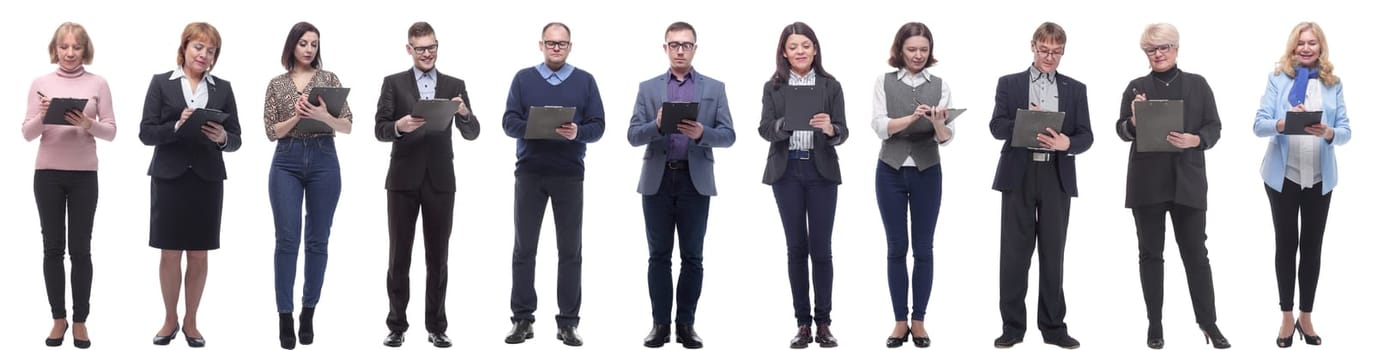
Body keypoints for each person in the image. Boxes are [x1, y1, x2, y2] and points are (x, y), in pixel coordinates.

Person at [1115, 23, 1228, 350]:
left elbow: (1214, 127)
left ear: (1176, 49)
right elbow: (1121, 130)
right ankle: (1155, 325)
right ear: (1145, 53)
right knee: (1150, 254)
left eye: (1164, 47)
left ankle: (1209, 323)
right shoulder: (1136, 87)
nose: (1158, 54)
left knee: (1196, 254)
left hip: (1188, 180)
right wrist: (1134, 121)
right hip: (1147, 182)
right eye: (1151, 49)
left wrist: (1197, 139)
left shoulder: (1197, 84)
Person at [627, 21, 736, 349]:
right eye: (674, 44)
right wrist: (657, 125)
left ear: (694, 49)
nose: (679, 50)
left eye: (686, 45)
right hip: (657, 180)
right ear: (665, 48)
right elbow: (633, 135)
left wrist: (702, 133)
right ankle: (660, 325)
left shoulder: (714, 88)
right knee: (658, 256)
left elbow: (729, 135)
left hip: (694, 179)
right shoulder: (648, 88)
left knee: (693, 257)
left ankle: (685, 325)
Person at [374, 21, 480, 349]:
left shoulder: (454, 84)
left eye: (432, 47)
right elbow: (379, 128)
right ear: (409, 49)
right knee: (399, 257)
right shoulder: (393, 83)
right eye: (420, 48)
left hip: (440, 180)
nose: (427, 53)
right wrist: (399, 126)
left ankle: (437, 326)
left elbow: (473, 131)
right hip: (403, 180)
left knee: (438, 258)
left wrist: (462, 113)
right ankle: (396, 325)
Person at [139, 21, 242, 349]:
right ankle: (170, 319)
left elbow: (237, 138)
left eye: (211, 51)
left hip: (207, 179)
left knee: (199, 254)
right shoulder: (161, 84)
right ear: (184, 48)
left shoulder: (223, 88)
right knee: (170, 253)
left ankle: (191, 321)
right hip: (169, 177)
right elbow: (145, 132)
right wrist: (176, 125)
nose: (205, 55)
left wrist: (223, 137)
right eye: (199, 47)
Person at [988, 22, 1091, 350]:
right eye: (1044, 50)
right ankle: (1012, 327)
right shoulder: (1010, 83)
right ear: (1032, 46)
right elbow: (996, 126)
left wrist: (1066, 143)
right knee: (1014, 256)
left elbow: (1086, 135)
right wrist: (1023, 121)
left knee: (1052, 254)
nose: (1049, 57)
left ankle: (1053, 328)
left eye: (1056, 52)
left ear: (1063, 52)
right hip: (1018, 176)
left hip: (1055, 178)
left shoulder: (1075, 89)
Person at [501, 21, 605, 347]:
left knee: (570, 251)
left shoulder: (585, 81)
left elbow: (598, 125)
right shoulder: (523, 79)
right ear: (541, 45)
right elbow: (508, 121)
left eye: (561, 43)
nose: (556, 48)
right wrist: (535, 126)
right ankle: (522, 319)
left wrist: (578, 132)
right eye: (550, 43)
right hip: (530, 172)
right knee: (524, 248)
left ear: (570, 46)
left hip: (569, 174)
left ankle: (568, 323)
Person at [1252, 21, 1349, 348]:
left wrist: (1329, 132)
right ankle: (1286, 315)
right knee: (1286, 244)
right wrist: (1281, 123)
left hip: (1320, 178)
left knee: (1312, 246)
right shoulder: (1278, 79)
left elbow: (1346, 130)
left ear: (1321, 48)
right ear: (1292, 48)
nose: (1306, 48)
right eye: (1300, 43)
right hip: (1284, 176)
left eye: (1312, 43)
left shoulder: (1332, 84)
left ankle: (1306, 315)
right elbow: (1259, 125)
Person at [23, 21, 116, 350]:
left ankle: (80, 321)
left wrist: (88, 123)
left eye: (76, 47)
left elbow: (111, 131)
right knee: (52, 248)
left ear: (85, 49)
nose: (70, 53)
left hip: (84, 176)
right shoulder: (41, 83)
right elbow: (27, 133)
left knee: (80, 250)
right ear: (55, 48)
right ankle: (58, 318)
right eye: (64, 47)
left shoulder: (98, 84)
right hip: (47, 175)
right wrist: (45, 115)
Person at [264, 21, 354, 349]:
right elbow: (271, 130)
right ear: (292, 45)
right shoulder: (276, 84)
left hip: (324, 159)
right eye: (303, 42)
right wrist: (297, 116)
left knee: (318, 241)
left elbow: (347, 125)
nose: (309, 48)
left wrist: (322, 114)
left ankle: (308, 312)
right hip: (286, 160)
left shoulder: (328, 80)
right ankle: (284, 315)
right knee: (287, 240)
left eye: (314, 44)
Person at [759, 21, 847, 349]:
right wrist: (784, 124)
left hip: (821, 171)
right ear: (784, 51)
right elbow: (765, 128)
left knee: (821, 249)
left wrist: (830, 129)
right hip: (786, 172)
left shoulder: (830, 85)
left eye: (806, 45)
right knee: (796, 248)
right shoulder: (773, 87)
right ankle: (802, 324)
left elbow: (844, 130)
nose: (800, 51)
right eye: (793, 46)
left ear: (815, 49)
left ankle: (823, 323)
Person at [870, 22, 953, 349]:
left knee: (924, 249)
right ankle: (899, 321)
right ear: (900, 50)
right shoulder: (883, 82)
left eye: (923, 49)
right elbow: (880, 126)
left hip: (927, 171)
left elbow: (945, 139)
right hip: (889, 170)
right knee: (895, 248)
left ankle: (918, 321)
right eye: (912, 49)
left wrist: (936, 123)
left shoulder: (941, 85)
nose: (918, 55)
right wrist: (912, 119)